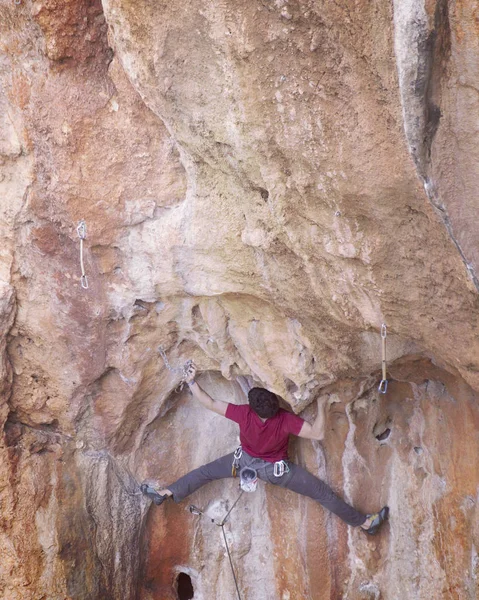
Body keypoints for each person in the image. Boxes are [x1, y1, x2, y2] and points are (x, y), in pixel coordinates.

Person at [141, 365, 389, 535]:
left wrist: (191, 380)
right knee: (322, 493)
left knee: (205, 473)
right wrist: (323, 405)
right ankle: (366, 524)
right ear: (276, 405)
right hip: (276, 472)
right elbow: (318, 433)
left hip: (242, 463)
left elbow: (210, 402)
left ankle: (167, 491)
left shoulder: (244, 413)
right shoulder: (284, 419)